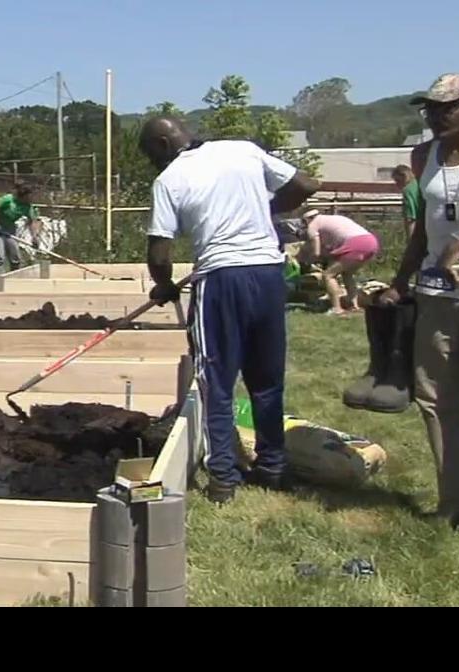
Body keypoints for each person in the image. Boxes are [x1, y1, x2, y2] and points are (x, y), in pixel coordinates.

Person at [139, 117, 320, 503]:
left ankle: (223, 476)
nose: (154, 164)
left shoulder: (170, 179)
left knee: (216, 382)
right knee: (267, 379)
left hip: (221, 281)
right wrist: (264, 212)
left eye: (151, 155)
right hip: (269, 275)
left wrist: (164, 284)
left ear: (162, 144)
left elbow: (159, 251)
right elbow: (306, 185)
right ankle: (272, 467)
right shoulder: (243, 150)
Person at [379, 74, 459, 548]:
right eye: (429, 109)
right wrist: (400, 280)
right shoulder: (422, 156)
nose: (436, 116)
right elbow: (424, 230)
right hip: (435, 295)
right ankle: (454, 506)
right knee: (436, 402)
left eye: (447, 108)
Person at [299, 209, 381, 314]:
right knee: (347, 273)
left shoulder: (313, 225)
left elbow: (316, 252)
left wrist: (307, 261)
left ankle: (337, 309)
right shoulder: (333, 218)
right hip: (371, 242)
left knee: (328, 275)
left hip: (355, 244)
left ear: (306, 220)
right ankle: (354, 306)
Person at [0, 183, 41, 274]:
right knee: (0, 257)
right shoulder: (8, 199)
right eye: (30, 196)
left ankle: (15, 279)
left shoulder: (28, 207)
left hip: (10, 229)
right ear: (24, 195)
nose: (32, 198)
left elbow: (32, 221)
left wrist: (34, 237)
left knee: (15, 257)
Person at [392, 164, 424, 237]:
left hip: (417, 231)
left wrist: (410, 241)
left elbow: (410, 218)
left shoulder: (407, 191)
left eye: (398, 180)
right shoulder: (418, 184)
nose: (396, 184)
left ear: (404, 177)